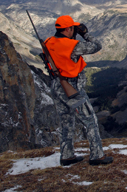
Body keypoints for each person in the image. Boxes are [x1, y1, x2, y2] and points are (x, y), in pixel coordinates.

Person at [45, 15, 113, 166]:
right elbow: (97, 46)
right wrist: (85, 34)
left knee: (66, 122)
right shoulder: (72, 46)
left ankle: (67, 155)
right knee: (90, 120)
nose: (75, 31)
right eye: (73, 29)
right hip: (71, 88)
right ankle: (97, 156)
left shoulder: (49, 42)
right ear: (68, 29)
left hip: (56, 85)